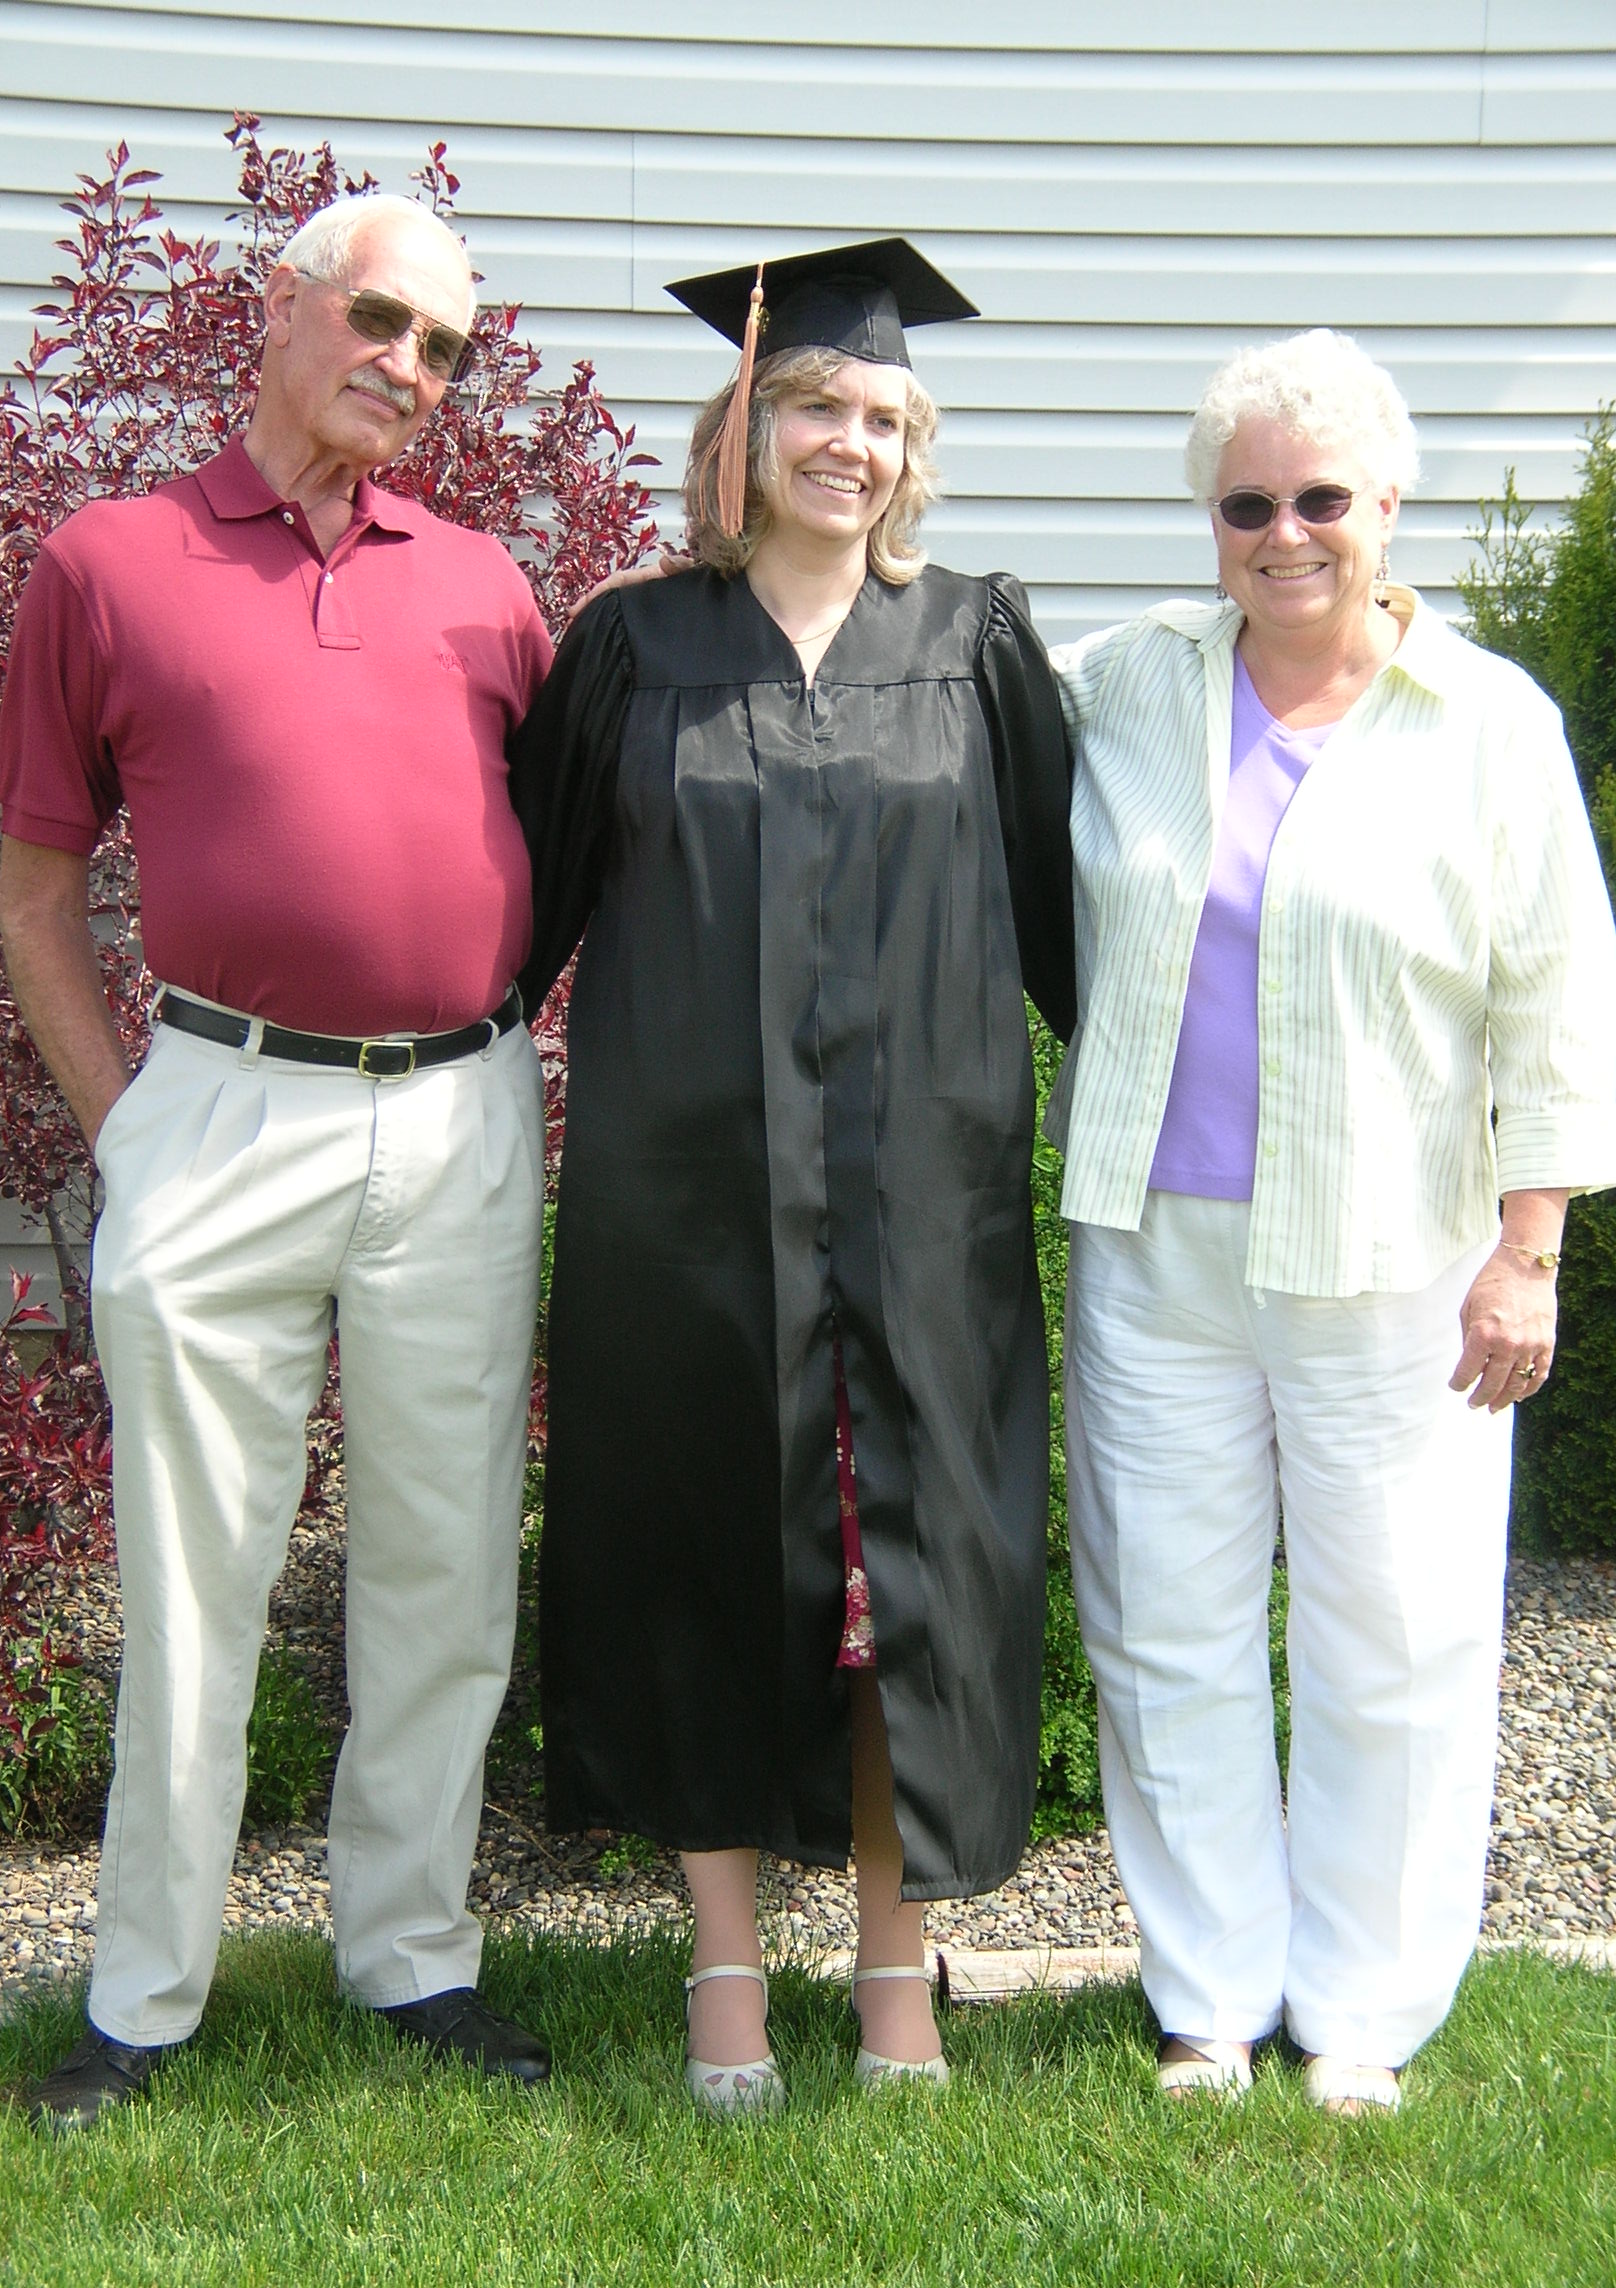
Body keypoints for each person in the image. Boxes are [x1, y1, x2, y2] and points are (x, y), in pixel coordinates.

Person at [0, 192, 556, 2129]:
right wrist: (128, 1128)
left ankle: (411, 1952)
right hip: (218, 1112)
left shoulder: (484, 585)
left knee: (444, 1562)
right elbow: (37, 891)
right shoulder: (107, 563)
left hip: (460, 1115)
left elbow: (561, 836)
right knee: (191, 1571)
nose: (410, 366)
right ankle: (145, 1993)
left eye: (445, 346)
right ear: (284, 308)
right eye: (382, 320)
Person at [507, 238, 1076, 2109]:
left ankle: (897, 1962)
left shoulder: (977, 641)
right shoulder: (631, 647)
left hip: (927, 1206)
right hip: (684, 1207)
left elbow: (1078, 930)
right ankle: (727, 1965)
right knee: (703, 1551)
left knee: (911, 1581)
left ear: (916, 452)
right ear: (743, 427)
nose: (851, 441)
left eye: (885, 417)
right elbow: (515, 917)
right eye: (817, 404)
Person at [1047, 328, 1616, 2113]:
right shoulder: (1125, 684)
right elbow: (918, 697)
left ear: (1387, 505)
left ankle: (1362, 2010)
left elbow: (1558, 1001)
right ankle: (1208, 1995)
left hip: (1399, 1258)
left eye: (1321, 499)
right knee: (1166, 1627)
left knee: (1399, 1637)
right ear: (1207, 522)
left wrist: (1530, 1251)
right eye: (1246, 505)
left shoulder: (1488, 722)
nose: (1284, 535)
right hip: (1155, 1248)